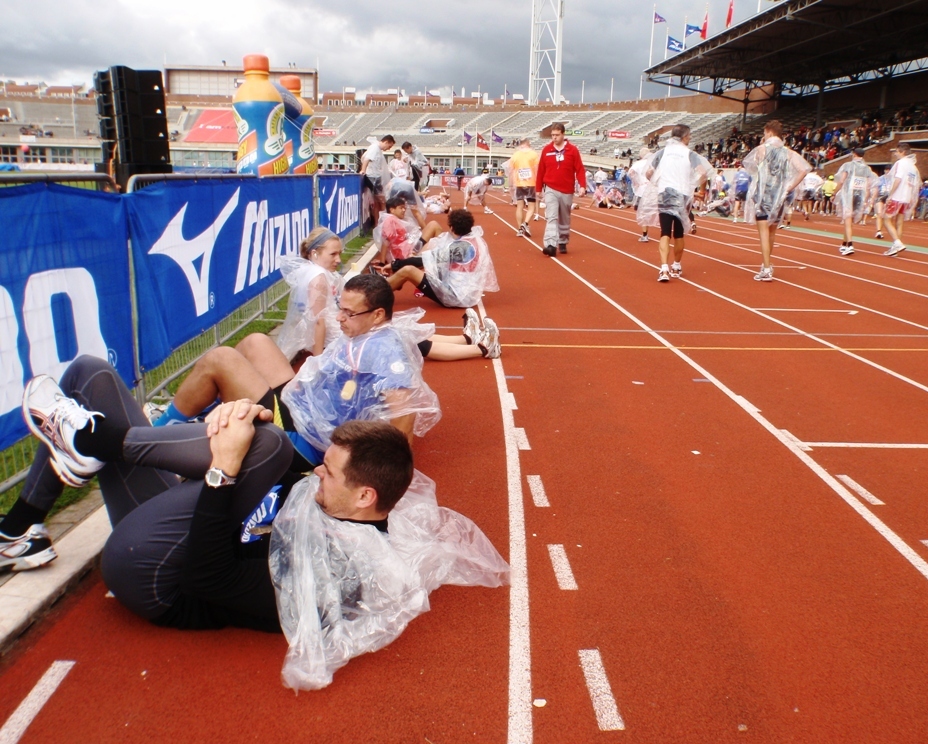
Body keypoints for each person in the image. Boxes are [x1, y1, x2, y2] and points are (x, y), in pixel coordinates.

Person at [5, 364, 508, 692]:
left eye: (327, 471)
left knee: (264, 446)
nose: (316, 472)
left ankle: (92, 440)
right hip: (189, 524)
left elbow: (210, 579)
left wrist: (222, 472)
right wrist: (241, 414)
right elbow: (286, 466)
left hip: (159, 577)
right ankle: (20, 527)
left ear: (365, 497)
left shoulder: (339, 570)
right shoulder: (336, 503)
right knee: (92, 375)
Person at [154, 274, 440, 469]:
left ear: (377, 315)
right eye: (340, 308)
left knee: (221, 359)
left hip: (304, 440)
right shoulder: (365, 334)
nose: (339, 317)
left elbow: (403, 425)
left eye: (349, 313)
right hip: (302, 407)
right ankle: (204, 410)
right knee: (256, 342)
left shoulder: (387, 352)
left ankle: (157, 433)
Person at [384, 208, 500, 313]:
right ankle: (396, 280)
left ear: (452, 228)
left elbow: (423, 261)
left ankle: (377, 292)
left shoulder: (460, 247)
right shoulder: (473, 239)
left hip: (454, 297)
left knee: (408, 270)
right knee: (430, 250)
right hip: (466, 293)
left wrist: (394, 264)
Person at [641, 124, 715, 282]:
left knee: (665, 232)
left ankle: (663, 269)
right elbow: (703, 174)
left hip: (665, 193)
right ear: (685, 137)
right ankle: (676, 265)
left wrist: (657, 183)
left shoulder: (662, 152)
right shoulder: (690, 154)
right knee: (679, 233)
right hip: (682, 195)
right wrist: (700, 191)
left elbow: (648, 173)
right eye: (689, 135)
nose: (690, 138)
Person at [741, 120, 812, 281]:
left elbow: (751, 167)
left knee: (763, 232)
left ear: (770, 133)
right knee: (772, 231)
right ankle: (766, 264)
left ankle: (766, 268)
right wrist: (789, 187)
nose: (764, 137)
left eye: (765, 134)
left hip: (763, 194)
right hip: (779, 195)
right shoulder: (789, 153)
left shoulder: (762, 149)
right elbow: (803, 169)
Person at [276, 228, 341, 365]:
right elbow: (318, 321)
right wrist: (318, 362)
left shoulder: (306, 270)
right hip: (331, 343)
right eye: (333, 254)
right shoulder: (319, 279)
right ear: (314, 253)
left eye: (339, 253)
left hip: (318, 340)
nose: (339, 260)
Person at [536, 123, 586, 256]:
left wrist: (582, 186)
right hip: (550, 188)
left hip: (567, 189)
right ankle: (550, 244)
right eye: (552, 135)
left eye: (557, 135)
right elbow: (541, 170)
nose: (554, 138)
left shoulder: (572, 150)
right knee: (551, 217)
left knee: (564, 217)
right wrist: (538, 188)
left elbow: (579, 169)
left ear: (563, 134)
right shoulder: (546, 150)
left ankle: (563, 241)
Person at [373, 195, 444, 267]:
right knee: (434, 225)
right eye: (401, 208)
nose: (404, 210)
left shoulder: (393, 219)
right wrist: (382, 263)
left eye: (404, 208)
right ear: (392, 210)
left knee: (433, 236)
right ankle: (445, 255)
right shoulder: (389, 220)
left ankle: (443, 255)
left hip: (409, 248)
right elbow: (386, 241)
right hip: (406, 253)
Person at [833, 148, 878, 256]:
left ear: (854, 154)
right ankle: (844, 243)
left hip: (848, 194)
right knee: (849, 220)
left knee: (847, 219)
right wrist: (866, 199)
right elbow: (868, 185)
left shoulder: (848, 165)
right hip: (859, 196)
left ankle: (850, 244)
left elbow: (842, 180)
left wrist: (834, 193)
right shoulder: (867, 168)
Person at [882, 141, 922, 256]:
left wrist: (890, 195)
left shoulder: (901, 163)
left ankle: (897, 242)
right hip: (906, 197)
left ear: (903, 152)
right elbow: (915, 185)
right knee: (899, 222)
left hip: (897, 196)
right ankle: (895, 248)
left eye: (897, 151)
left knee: (886, 218)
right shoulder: (913, 167)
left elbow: (898, 179)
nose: (895, 153)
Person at [360, 134, 395, 226]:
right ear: (386, 142)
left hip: (376, 177)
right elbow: (366, 159)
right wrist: (363, 170)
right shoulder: (374, 148)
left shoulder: (377, 149)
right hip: (373, 177)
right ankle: (383, 224)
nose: (389, 149)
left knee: (378, 202)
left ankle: (378, 224)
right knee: (382, 201)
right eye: (389, 146)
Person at [509, 138, 540, 237]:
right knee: (531, 207)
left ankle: (520, 229)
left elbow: (511, 170)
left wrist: (511, 185)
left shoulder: (515, 155)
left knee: (519, 207)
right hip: (531, 183)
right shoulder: (534, 154)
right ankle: (525, 223)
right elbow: (538, 169)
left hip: (519, 183)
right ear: (528, 143)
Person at [628, 146, 655, 243]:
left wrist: (636, 182)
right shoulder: (653, 163)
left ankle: (645, 235)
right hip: (653, 190)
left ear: (641, 155)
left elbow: (630, 173)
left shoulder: (638, 164)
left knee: (642, 212)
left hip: (642, 190)